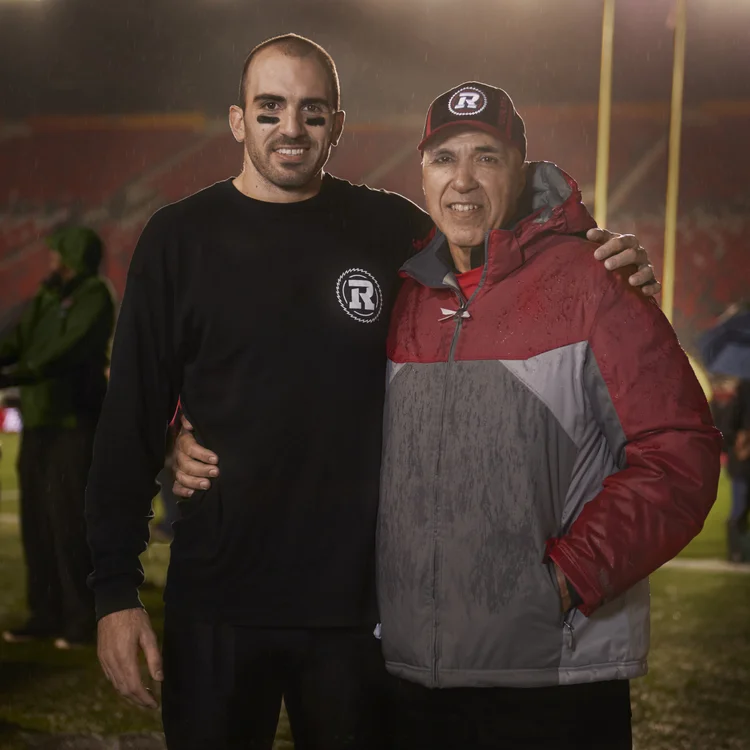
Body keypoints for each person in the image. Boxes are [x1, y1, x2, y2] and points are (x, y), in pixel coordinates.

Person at [88, 35, 660, 750]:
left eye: (312, 111)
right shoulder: (178, 238)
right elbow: (129, 417)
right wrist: (114, 590)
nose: (291, 128)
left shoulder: (390, 230)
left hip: (360, 616)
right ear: (237, 120)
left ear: (337, 124)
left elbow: (501, 248)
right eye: (270, 109)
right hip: (218, 602)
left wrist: (601, 255)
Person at [0, 225, 115, 649]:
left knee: (69, 523)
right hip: (39, 422)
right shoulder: (47, 295)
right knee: (37, 523)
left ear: (72, 256)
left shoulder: (95, 295)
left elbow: (68, 350)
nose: (50, 259)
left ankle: (81, 620)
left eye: (57, 252)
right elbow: (17, 341)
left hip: (73, 425)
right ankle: (45, 614)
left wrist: (17, 374)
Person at [711, 376, 750, 562]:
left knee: (740, 508)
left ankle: (740, 551)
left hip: (741, 465)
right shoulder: (736, 406)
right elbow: (726, 433)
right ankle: (736, 551)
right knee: (739, 509)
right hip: (741, 466)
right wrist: (739, 444)